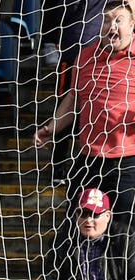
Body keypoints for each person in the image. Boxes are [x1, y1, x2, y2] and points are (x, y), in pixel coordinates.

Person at [35, 2, 135, 227]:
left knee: (126, 236)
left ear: (132, 24)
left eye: (118, 20)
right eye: (107, 20)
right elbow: (73, 98)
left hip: (128, 162)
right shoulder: (85, 56)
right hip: (89, 158)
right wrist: (53, 127)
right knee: (76, 229)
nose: (111, 26)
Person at [43, 188, 135, 280]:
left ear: (108, 216)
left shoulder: (126, 239)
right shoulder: (62, 242)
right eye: (83, 213)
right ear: (76, 215)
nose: (88, 220)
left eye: (94, 214)